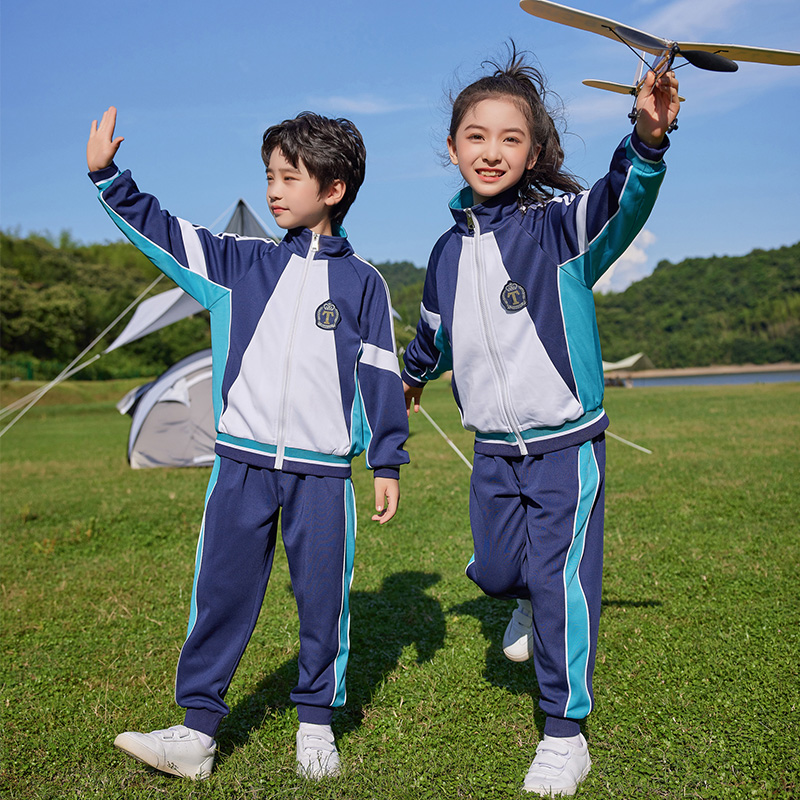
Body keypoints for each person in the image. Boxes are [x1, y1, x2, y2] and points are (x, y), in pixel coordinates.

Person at [87, 106, 409, 781]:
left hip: (323, 475)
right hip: (239, 467)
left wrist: (387, 459)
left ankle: (316, 725)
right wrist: (108, 179)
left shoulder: (364, 285)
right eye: (269, 175)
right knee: (222, 592)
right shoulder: (240, 263)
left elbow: (379, 375)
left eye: (289, 177)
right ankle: (196, 733)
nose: (273, 189)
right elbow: (165, 235)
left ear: (334, 188)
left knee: (325, 599)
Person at [402, 45, 679, 797]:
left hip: (564, 446)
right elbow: (434, 332)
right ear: (454, 145)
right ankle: (520, 598)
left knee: (561, 583)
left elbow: (624, 199)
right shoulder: (444, 252)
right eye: (476, 136)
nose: (491, 152)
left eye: (510, 139)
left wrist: (647, 137)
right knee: (496, 572)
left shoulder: (561, 228)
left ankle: (564, 734)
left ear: (534, 152)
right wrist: (410, 377)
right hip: (491, 451)